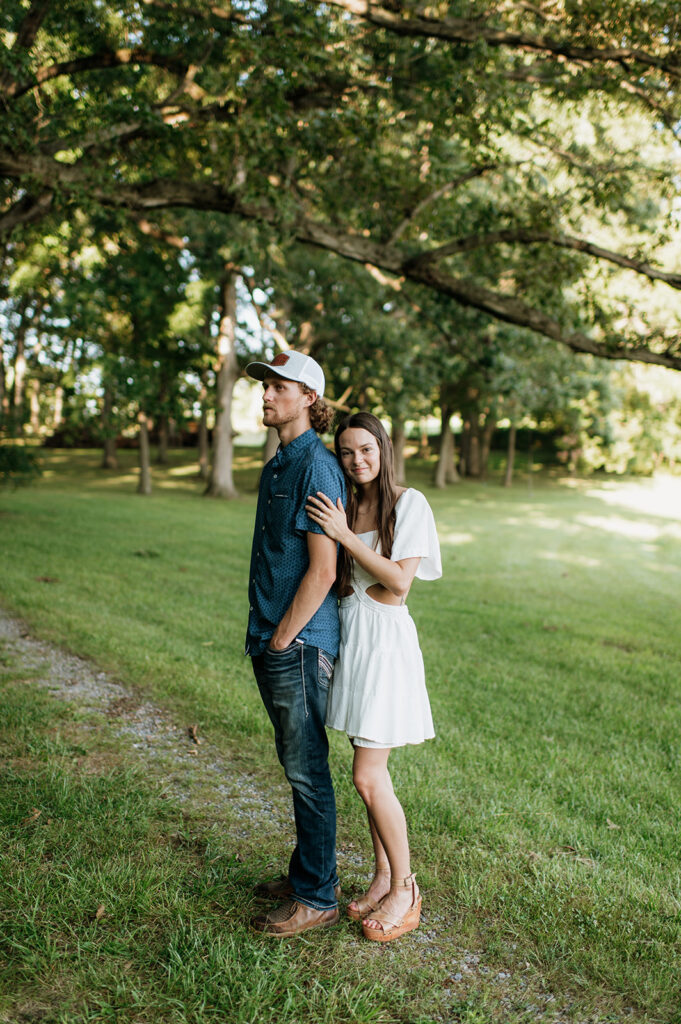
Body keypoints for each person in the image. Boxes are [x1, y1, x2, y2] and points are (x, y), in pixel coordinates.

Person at [305, 412, 441, 943]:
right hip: (354, 641)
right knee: (369, 773)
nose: (356, 460)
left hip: (386, 647)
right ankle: (382, 877)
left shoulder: (408, 503)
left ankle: (406, 889)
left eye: (366, 449)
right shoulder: (350, 503)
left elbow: (400, 582)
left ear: (383, 448)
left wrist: (343, 535)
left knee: (367, 775)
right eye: (346, 452)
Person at [245, 351, 346, 938]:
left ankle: (317, 895)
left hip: (299, 645)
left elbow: (323, 570)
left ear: (309, 397)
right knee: (295, 764)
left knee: (308, 771)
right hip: (272, 638)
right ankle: (306, 873)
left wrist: (284, 637)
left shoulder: (318, 467)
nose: (265, 395)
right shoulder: (280, 462)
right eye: (265, 386)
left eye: (279, 387)